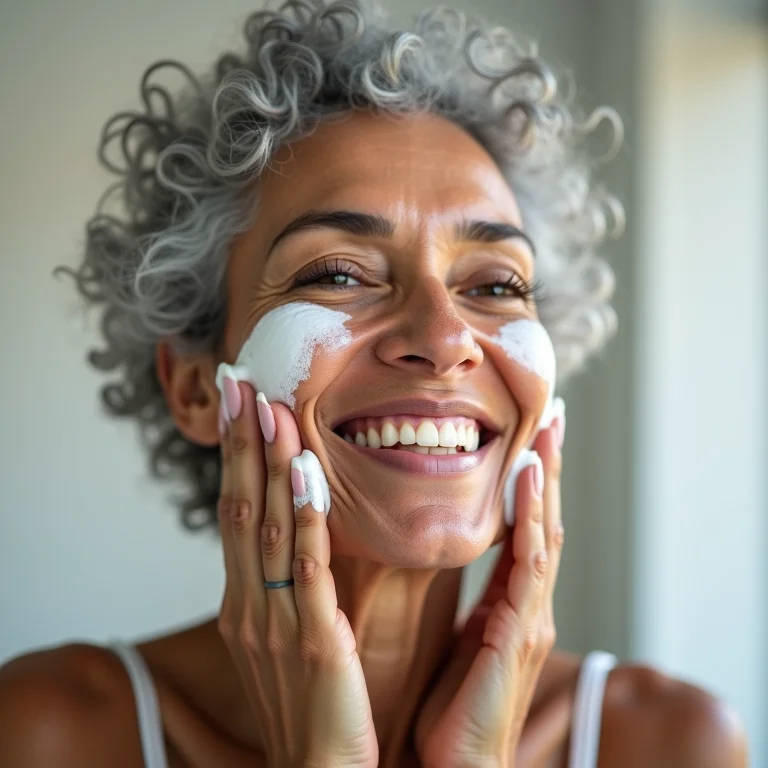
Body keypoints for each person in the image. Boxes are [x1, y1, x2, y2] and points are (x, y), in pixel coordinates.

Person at [0, 1, 747, 766]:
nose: (445, 339)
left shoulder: (669, 742)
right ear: (195, 386)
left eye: (494, 286)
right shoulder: (49, 734)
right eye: (337, 273)